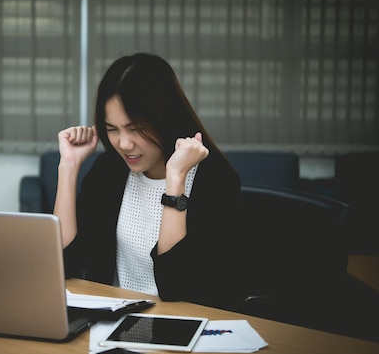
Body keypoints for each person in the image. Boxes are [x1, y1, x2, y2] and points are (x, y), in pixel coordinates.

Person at [54, 52, 242, 309]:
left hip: (180, 326)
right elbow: (63, 263)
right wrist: (69, 166)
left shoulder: (216, 181)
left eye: (136, 128)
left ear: (164, 119)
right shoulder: (110, 171)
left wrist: (175, 179)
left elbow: (176, 288)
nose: (124, 144)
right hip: (112, 322)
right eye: (112, 129)